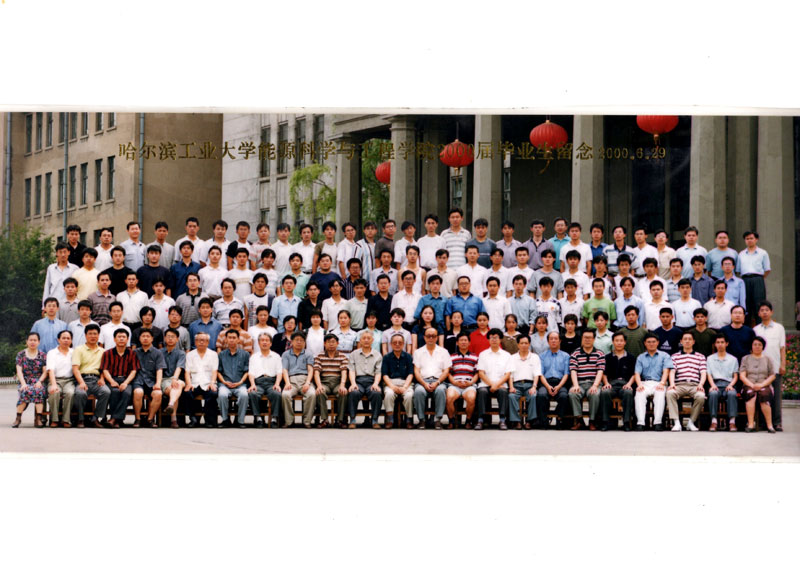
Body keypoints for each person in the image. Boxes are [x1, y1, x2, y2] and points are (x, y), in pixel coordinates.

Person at [753, 300, 786, 431]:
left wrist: (783, 364)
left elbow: (782, 348)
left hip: (775, 366)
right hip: (760, 368)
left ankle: (777, 422)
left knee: (776, 396)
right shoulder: (756, 330)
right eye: (762, 310)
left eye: (767, 310)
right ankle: (762, 422)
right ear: (758, 313)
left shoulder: (779, 328)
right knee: (762, 395)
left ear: (771, 312)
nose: (765, 312)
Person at [71, 324, 111, 428]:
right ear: (85, 335)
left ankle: (95, 418)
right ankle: (80, 419)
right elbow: (75, 369)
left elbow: (104, 368)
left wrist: (102, 378)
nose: (93, 336)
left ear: (98, 335)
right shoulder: (79, 350)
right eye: (90, 334)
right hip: (83, 379)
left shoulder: (103, 351)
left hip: (97, 380)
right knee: (80, 393)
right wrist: (81, 382)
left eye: (95, 334)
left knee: (106, 392)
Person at [666, 332, 707, 432]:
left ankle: (691, 422)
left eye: (689, 339)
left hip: (694, 385)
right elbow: (672, 372)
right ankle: (676, 422)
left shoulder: (700, 356)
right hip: (679, 384)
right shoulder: (675, 356)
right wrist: (672, 384)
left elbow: (703, 373)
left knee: (701, 396)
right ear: (681, 341)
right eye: (685, 339)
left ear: (693, 341)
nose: (687, 341)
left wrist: (701, 384)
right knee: (670, 393)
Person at [412, 327, 452, 429]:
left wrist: (437, 382)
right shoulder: (418, 352)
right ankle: (422, 420)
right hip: (422, 381)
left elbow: (446, 371)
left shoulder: (444, 352)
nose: (431, 338)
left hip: (439, 381)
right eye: (428, 336)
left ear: (437, 338)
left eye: (433, 336)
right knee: (419, 391)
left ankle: (437, 420)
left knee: (440, 391)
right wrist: (424, 383)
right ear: (424, 337)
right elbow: (416, 371)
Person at [100, 328, 140, 428]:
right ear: (114, 339)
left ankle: (114, 419)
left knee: (127, 393)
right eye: (119, 337)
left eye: (123, 337)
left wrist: (125, 383)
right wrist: (112, 381)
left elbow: (134, 370)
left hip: (126, 380)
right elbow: (105, 370)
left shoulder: (132, 353)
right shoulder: (107, 353)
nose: (121, 339)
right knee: (115, 392)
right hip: (112, 379)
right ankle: (118, 420)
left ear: (127, 339)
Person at [633, 333, 674, 431]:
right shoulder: (641, 357)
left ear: (658, 343)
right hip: (645, 382)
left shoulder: (664, 356)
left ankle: (658, 423)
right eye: (649, 342)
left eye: (653, 342)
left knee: (660, 395)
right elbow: (637, 373)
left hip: (659, 382)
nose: (651, 344)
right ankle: (640, 423)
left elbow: (666, 371)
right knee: (639, 394)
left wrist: (662, 383)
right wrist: (639, 384)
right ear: (645, 343)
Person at [567, 327, 605, 430]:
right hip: (580, 383)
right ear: (582, 339)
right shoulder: (575, 353)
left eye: (589, 338)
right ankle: (580, 421)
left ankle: (592, 421)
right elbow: (573, 371)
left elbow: (600, 371)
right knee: (572, 393)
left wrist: (595, 385)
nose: (587, 340)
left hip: (593, 382)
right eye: (585, 338)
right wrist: (575, 385)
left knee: (594, 394)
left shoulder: (599, 354)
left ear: (594, 339)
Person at [346, 331, 384, 429]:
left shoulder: (377, 355)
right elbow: (351, 370)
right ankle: (352, 419)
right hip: (358, 380)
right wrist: (353, 383)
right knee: (353, 392)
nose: (366, 340)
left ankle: (374, 420)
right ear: (360, 340)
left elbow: (378, 372)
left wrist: (376, 384)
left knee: (376, 393)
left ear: (372, 340)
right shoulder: (354, 354)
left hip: (372, 380)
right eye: (364, 338)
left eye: (368, 338)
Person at [475, 329, 511, 430]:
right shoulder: (483, 354)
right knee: (482, 391)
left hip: (501, 384)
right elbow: (481, 373)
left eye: (496, 338)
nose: (494, 340)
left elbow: (507, 374)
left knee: (503, 392)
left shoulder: (506, 355)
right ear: (488, 340)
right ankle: (481, 420)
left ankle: (502, 420)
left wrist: (497, 384)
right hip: (486, 384)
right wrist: (492, 384)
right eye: (491, 338)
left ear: (500, 339)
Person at [739, 337, 777, 433]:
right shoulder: (745, 359)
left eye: (759, 345)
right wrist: (752, 385)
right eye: (755, 344)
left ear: (763, 347)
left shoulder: (768, 359)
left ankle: (770, 426)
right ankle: (751, 424)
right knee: (751, 395)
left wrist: (762, 385)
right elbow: (742, 376)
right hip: (749, 384)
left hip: (764, 385)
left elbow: (772, 375)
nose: (757, 346)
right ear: (751, 346)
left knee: (764, 395)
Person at [600, 332, 636, 431]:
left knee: (628, 392)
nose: (619, 343)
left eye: (621, 341)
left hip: (625, 384)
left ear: (625, 342)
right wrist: (606, 383)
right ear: (613, 342)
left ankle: (626, 422)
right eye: (616, 341)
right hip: (612, 384)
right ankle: (605, 422)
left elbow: (634, 374)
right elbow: (604, 373)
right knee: (605, 392)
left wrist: (629, 384)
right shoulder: (607, 357)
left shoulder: (631, 357)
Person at [131, 328, 166, 428]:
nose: (145, 338)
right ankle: (138, 419)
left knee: (158, 394)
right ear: (139, 338)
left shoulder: (158, 353)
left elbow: (159, 369)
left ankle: (150, 419)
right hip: (138, 381)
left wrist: (158, 383)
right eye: (143, 336)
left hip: (152, 381)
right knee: (138, 392)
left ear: (152, 338)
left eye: (148, 336)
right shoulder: (134, 352)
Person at [280, 333, 316, 428]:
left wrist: (307, 383)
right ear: (291, 342)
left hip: (305, 379)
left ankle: (307, 421)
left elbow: (310, 370)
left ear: (304, 342)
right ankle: (289, 421)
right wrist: (287, 383)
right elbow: (284, 370)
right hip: (291, 381)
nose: (299, 342)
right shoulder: (286, 354)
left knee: (311, 394)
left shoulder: (308, 354)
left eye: (301, 340)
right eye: (296, 340)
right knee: (285, 395)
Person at [247, 332, 283, 428]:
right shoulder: (254, 357)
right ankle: (258, 417)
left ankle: (274, 418)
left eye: (267, 340)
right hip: (258, 382)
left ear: (271, 343)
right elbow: (251, 372)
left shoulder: (276, 356)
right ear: (258, 343)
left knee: (277, 393)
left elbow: (279, 372)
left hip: (272, 382)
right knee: (253, 393)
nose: (264, 342)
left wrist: (277, 384)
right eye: (262, 340)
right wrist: (252, 384)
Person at [313, 334, 350, 428]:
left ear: (337, 343)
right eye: (329, 342)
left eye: (333, 342)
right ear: (324, 344)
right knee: (320, 392)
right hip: (324, 382)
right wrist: (319, 385)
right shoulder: (319, 356)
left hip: (338, 382)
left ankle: (340, 420)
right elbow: (316, 372)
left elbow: (344, 372)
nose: (331, 344)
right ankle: (324, 419)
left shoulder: (342, 356)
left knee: (343, 392)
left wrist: (342, 385)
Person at [184, 332, 220, 428]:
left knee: (213, 393)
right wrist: (188, 383)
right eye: (199, 340)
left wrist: (212, 383)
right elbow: (187, 372)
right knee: (188, 393)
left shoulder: (213, 354)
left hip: (208, 382)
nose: (201, 342)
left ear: (208, 342)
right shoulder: (190, 355)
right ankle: (193, 419)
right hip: (194, 383)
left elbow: (214, 371)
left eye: (204, 340)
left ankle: (209, 420)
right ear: (195, 342)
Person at [13, 333, 48, 428]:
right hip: (25, 380)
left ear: (39, 342)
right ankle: (18, 418)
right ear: (27, 341)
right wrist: (23, 384)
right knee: (24, 390)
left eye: (35, 340)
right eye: (30, 340)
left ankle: (38, 418)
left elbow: (45, 371)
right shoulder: (21, 354)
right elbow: (19, 371)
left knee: (39, 390)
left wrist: (39, 382)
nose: (33, 342)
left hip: (38, 380)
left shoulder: (43, 355)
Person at [536, 331, 571, 429]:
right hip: (545, 382)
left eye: (556, 339)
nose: (553, 341)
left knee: (564, 396)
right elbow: (541, 374)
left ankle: (559, 418)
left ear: (560, 341)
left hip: (560, 383)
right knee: (541, 395)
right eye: (551, 339)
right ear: (548, 341)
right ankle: (544, 421)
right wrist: (548, 386)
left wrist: (558, 386)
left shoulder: (566, 356)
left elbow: (566, 374)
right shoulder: (542, 356)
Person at [507, 334, 542, 429]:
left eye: (526, 343)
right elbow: (510, 375)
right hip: (516, 385)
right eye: (521, 343)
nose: (524, 345)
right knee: (511, 396)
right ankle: (517, 421)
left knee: (533, 395)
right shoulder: (512, 357)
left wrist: (534, 387)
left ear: (529, 344)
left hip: (529, 384)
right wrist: (511, 387)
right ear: (518, 344)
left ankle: (529, 421)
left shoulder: (535, 357)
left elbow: (536, 374)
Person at [381, 333, 415, 429]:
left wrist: (405, 387)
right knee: (389, 394)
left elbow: (410, 374)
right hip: (391, 383)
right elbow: (385, 375)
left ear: (403, 344)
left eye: (400, 342)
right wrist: (392, 387)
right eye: (394, 342)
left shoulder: (408, 357)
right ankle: (390, 419)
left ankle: (409, 419)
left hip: (406, 383)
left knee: (409, 395)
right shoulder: (386, 357)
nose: (397, 344)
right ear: (391, 344)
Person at [706, 334, 739, 432]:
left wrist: (731, 385)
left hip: (728, 384)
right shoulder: (710, 358)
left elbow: (735, 376)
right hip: (715, 383)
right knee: (713, 393)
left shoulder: (733, 359)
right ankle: (714, 421)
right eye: (718, 342)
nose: (720, 344)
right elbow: (709, 375)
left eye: (722, 342)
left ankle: (732, 422)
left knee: (732, 394)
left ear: (727, 344)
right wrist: (712, 385)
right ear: (715, 344)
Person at [738, 230, 771, 326]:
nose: (749, 240)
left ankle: (760, 327)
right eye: (747, 239)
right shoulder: (741, 254)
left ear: (756, 239)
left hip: (758, 279)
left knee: (759, 304)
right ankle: (746, 328)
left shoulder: (763, 253)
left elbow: (767, 269)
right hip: (745, 280)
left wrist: (759, 278)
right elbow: (738, 270)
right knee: (746, 304)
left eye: (751, 238)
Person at [160, 328, 190, 429]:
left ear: (177, 339)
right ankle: (174, 419)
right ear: (164, 338)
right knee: (175, 390)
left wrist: (174, 379)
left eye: (173, 337)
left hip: (176, 379)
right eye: (168, 336)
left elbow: (179, 367)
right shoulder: (159, 352)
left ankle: (171, 405)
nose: (170, 339)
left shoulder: (181, 353)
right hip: (164, 379)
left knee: (177, 385)